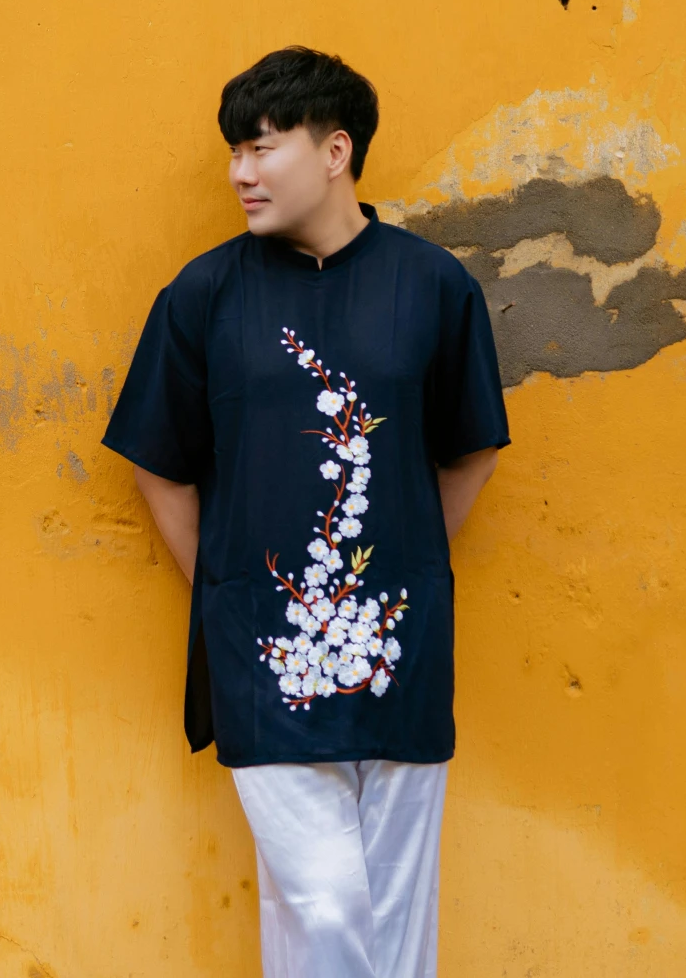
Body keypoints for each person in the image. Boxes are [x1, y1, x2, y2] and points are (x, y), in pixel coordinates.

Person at [103, 47, 509, 978]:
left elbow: (471, 445)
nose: (239, 173)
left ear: (336, 151)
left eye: (260, 148)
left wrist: (395, 563)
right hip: (262, 652)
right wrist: (229, 589)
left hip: (397, 650)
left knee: (395, 914)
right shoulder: (205, 295)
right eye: (233, 153)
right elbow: (158, 467)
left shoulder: (433, 287)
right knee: (325, 902)